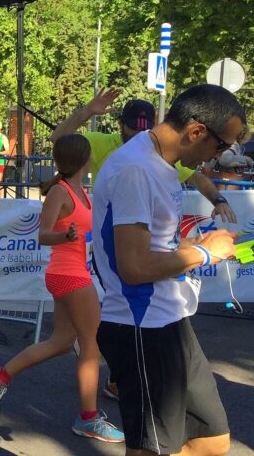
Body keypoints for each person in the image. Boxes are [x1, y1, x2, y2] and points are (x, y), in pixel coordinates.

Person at [93, 84, 242, 456]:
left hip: (169, 318)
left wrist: (185, 249)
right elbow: (134, 267)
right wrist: (204, 254)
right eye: (221, 146)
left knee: (212, 441)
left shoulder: (160, 161)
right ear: (196, 132)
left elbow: (148, 248)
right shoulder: (136, 169)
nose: (216, 158)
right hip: (139, 324)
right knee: (152, 450)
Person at [0, 135, 124, 442]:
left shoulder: (78, 190)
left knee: (61, 342)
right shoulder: (60, 192)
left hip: (73, 273)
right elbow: (43, 235)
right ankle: (88, 418)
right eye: (89, 156)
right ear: (82, 159)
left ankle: (1, 374)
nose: (92, 161)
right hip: (68, 274)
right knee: (91, 343)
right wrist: (65, 237)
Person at [51, 89, 237, 224]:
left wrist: (218, 200)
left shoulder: (159, 153)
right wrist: (87, 112)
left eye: (143, 128)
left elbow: (197, 178)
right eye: (133, 127)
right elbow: (58, 140)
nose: (138, 133)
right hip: (112, 228)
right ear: (120, 124)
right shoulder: (101, 143)